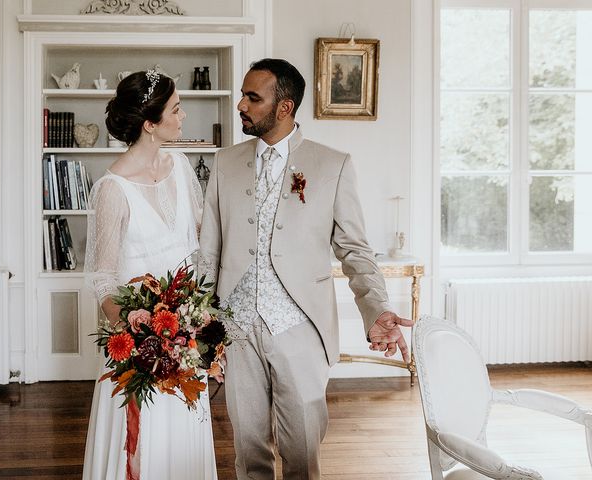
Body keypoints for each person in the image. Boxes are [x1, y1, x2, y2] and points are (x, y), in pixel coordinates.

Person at [199, 58, 414, 479]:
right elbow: (209, 251)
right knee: (248, 451)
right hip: (237, 329)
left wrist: (377, 308)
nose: (241, 104)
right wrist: (202, 326)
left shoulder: (331, 164)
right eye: (243, 94)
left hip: (301, 326)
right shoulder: (224, 164)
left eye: (252, 97)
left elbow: (354, 249)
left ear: (284, 107)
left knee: (301, 452)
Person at [82, 71, 217, 480]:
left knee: (182, 438)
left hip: (185, 337)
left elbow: (198, 245)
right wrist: (136, 331)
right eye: (176, 108)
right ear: (150, 124)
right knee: (145, 441)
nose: (184, 115)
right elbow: (103, 277)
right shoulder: (112, 189)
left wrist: (198, 316)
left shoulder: (179, 166)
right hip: (139, 347)